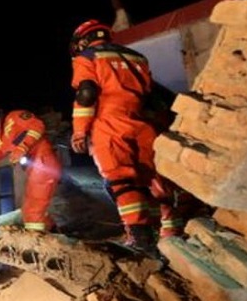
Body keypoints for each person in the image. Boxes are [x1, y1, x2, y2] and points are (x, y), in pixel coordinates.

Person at [68, 18, 186, 253]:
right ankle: (159, 232)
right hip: (142, 123)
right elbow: (153, 95)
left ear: (82, 41)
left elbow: (87, 92)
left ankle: (141, 240)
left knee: (121, 180)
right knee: (147, 180)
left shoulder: (88, 57)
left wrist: (80, 131)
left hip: (110, 123)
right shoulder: (137, 58)